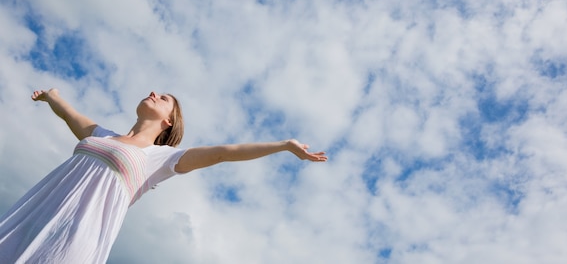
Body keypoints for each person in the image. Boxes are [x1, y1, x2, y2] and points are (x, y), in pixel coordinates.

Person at [0, 88, 327, 263]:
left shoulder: (160, 158)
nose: (154, 92)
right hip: (36, 213)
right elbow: (69, 114)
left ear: (168, 122)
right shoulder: (101, 135)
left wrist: (284, 145)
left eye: (164, 98)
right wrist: (52, 96)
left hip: (73, 236)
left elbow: (225, 152)